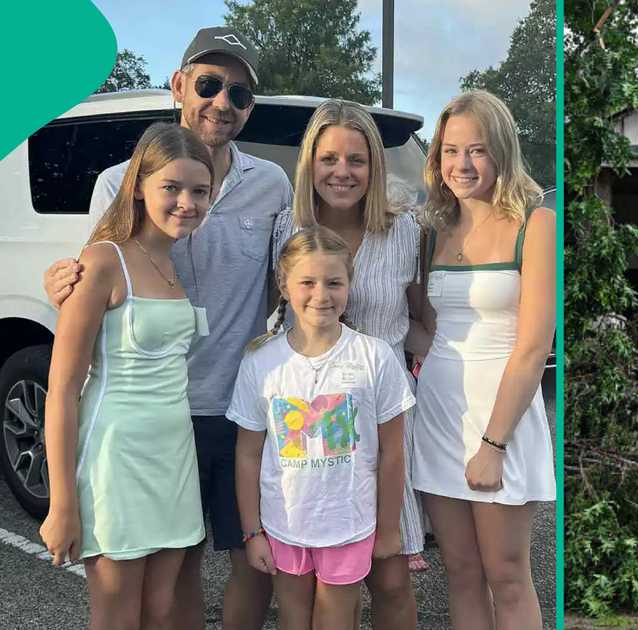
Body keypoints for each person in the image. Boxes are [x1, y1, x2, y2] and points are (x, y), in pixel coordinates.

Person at [43, 27, 291, 630]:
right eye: (208, 84)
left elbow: (300, 278)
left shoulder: (273, 185)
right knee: (157, 584)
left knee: (245, 563)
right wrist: (61, 282)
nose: (222, 102)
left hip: (236, 409)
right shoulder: (116, 183)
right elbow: (93, 291)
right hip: (143, 431)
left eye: (238, 93)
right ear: (179, 85)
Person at [39, 123, 214, 630]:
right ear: (139, 185)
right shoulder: (103, 260)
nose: (187, 202)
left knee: (161, 611)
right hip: (116, 461)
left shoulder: (172, 261)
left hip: (173, 457)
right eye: (172, 188)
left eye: (199, 191)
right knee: (117, 616)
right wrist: (62, 503)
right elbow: (63, 388)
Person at [271, 98, 429, 628]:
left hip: (384, 421)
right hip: (313, 420)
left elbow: (424, 319)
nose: (343, 172)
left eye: (357, 160)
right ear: (309, 164)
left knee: (389, 573)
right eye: (329, 158)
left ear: (375, 167)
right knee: (318, 577)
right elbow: (268, 317)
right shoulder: (286, 230)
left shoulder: (405, 231)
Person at [412, 90, 556, 629]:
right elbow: (428, 330)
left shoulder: (534, 224)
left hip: (503, 420)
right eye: (450, 151)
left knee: (508, 574)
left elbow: (535, 345)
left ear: (501, 152)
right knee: (461, 571)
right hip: (439, 419)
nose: (462, 164)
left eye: (476, 150)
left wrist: (493, 444)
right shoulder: (434, 230)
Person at [229, 226, 413, 629]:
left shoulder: (374, 357)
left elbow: (392, 452)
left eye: (334, 282)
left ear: (350, 283)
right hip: (284, 525)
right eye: (307, 282)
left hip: (349, 525)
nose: (321, 295)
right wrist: (251, 531)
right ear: (284, 284)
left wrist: (387, 530)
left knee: (335, 621)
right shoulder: (260, 362)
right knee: (293, 620)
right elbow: (247, 453)